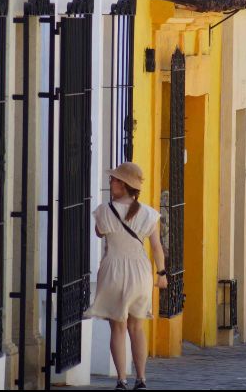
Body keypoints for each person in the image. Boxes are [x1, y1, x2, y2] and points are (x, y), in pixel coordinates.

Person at [84, 162, 167, 390]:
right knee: (137, 328)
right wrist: (161, 273)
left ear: (123, 184)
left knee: (118, 328)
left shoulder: (103, 211)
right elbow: (157, 247)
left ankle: (121, 380)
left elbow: (100, 233)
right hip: (140, 272)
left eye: (114, 179)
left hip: (113, 271)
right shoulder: (149, 214)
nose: (110, 182)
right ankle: (141, 379)